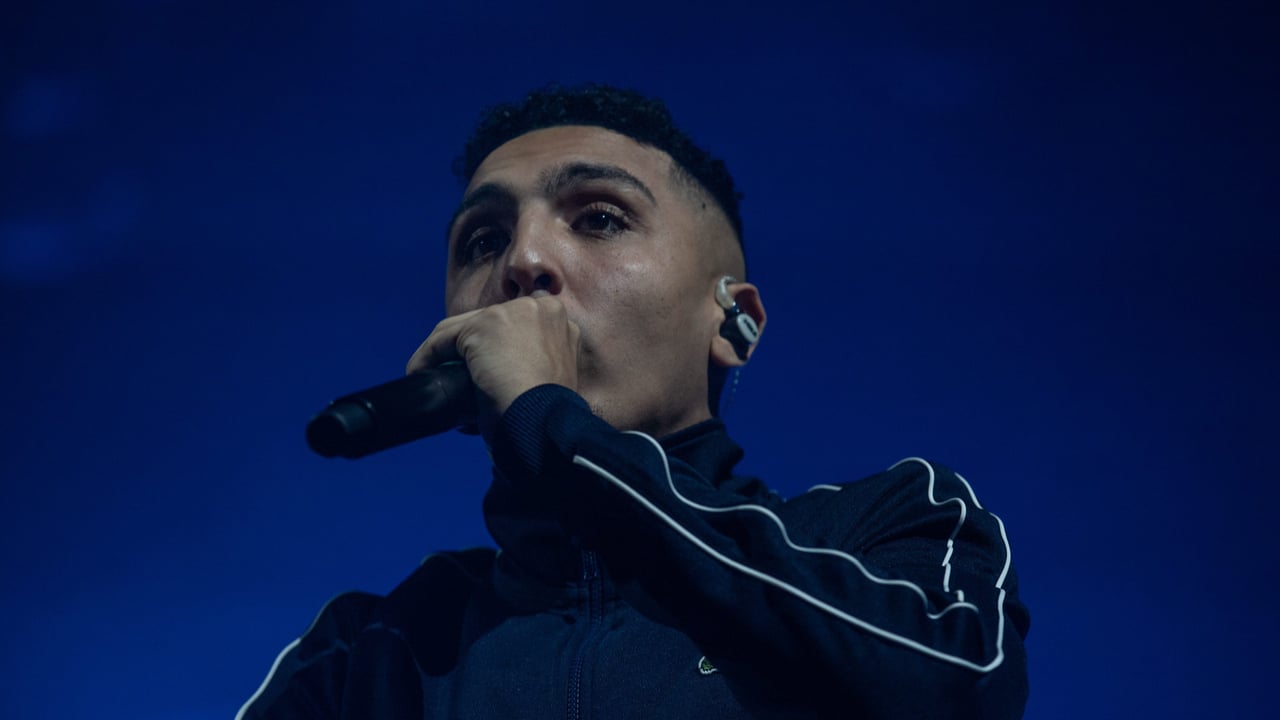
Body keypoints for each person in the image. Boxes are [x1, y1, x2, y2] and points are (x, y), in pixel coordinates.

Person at [237, 84, 1030, 719]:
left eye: (600, 219)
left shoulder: (887, 527)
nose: (523, 261)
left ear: (735, 321)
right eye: (482, 240)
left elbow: (954, 691)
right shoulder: (373, 652)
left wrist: (555, 427)